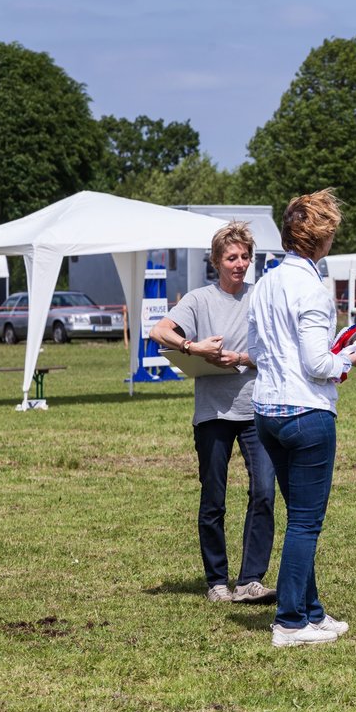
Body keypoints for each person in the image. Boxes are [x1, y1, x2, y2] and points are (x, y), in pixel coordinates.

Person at [248, 189, 356, 647]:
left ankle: (311, 611)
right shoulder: (314, 291)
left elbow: (259, 351)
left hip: (267, 410)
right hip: (307, 412)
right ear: (322, 241)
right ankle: (288, 622)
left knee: (300, 516)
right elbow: (318, 364)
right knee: (306, 522)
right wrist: (354, 359)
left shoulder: (263, 285)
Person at [149, 222, 277, 604]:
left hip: (257, 409)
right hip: (212, 414)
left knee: (265, 493)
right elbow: (159, 331)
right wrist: (193, 347)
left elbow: (275, 350)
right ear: (216, 261)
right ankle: (217, 582)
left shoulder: (261, 298)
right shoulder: (198, 299)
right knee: (214, 499)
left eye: (244, 257)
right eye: (231, 258)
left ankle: (251, 579)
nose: (239, 264)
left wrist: (240, 358)